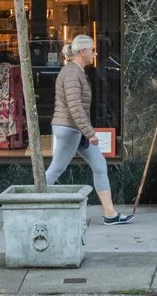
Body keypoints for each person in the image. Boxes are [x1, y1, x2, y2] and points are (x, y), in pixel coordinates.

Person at [44, 34, 130, 224]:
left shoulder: (76, 72)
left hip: (75, 130)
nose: (95, 53)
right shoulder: (72, 73)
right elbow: (75, 106)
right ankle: (30, 206)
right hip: (69, 129)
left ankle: (110, 214)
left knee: (99, 166)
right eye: (92, 50)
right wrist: (89, 133)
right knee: (56, 170)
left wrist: (86, 131)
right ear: (82, 52)